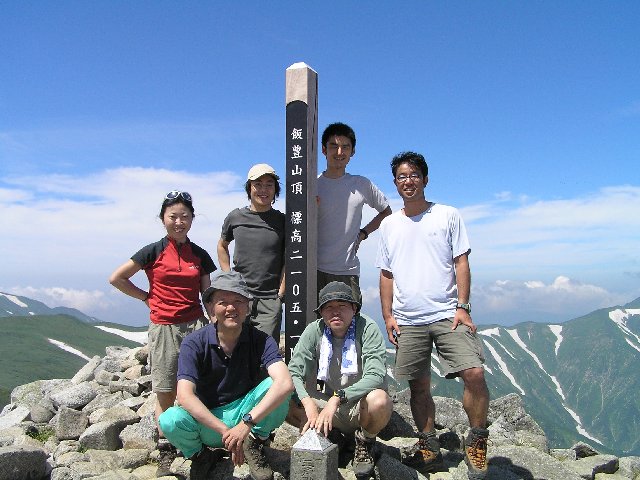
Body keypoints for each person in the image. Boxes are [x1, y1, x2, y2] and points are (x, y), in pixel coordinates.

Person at [376, 151, 490, 479]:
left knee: (474, 374)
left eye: (413, 175)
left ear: (425, 179)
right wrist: (388, 316)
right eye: (401, 177)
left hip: (447, 314)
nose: (407, 181)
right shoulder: (389, 225)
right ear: (395, 183)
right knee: (418, 388)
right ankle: (430, 450)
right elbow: (386, 274)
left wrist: (463, 306)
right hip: (408, 318)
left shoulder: (448, 215)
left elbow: (461, 262)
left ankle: (477, 440)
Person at [109, 190, 216, 476]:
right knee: (166, 390)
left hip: (195, 326)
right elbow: (117, 278)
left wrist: (215, 319)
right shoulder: (152, 251)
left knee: (200, 386)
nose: (179, 222)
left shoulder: (200, 254)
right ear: (162, 219)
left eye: (185, 216)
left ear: (192, 219)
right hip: (164, 326)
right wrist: (146, 297)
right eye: (173, 217)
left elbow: (207, 293)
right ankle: (167, 449)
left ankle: (197, 442)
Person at [158, 271, 294, 480]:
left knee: (275, 388)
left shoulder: (261, 340)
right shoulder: (194, 343)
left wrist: (245, 425)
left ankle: (254, 444)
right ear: (211, 308)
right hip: (208, 422)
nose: (231, 308)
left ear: (247, 306)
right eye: (223, 302)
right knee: (170, 419)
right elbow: (185, 396)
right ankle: (200, 454)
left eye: (238, 300)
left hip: (245, 416)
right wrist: (227, 432)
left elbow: (285, 383)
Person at [287, 281, 392, 477]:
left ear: (354, 309)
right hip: (329, 406)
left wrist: (338, 397)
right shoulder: (315, 330)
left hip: (359, 406)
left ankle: (365, 441)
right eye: (328, 307)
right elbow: (294, 370)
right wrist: (307, 402)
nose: (335, 312)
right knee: (281, 397)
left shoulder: (367, 328)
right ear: (321, 312)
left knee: (380, 400)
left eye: (342, 306)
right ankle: (332, 436)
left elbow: (376, 375)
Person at [317, 122, 391, 304]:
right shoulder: (312, 184)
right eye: (334, 146)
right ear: (324, 150)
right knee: (314, 327)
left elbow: (386, 212)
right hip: (313, 268)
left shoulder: (361, 184)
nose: (339, 152)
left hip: (347, 270)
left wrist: (363, 233)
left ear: (353, 152)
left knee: (349, 328)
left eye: (345, 147)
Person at [217, 164, 285, 341]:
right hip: (239, 296)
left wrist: (280, 293)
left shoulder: (282, 221)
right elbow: (222, 246)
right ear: (249, 188)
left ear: (275, 189)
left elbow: (289, 259)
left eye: (269, 184)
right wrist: (228, 276)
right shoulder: (235, 217)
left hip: (269, 299)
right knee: (236, 350)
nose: (264, 190)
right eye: (258, 184)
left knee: (265, 354)